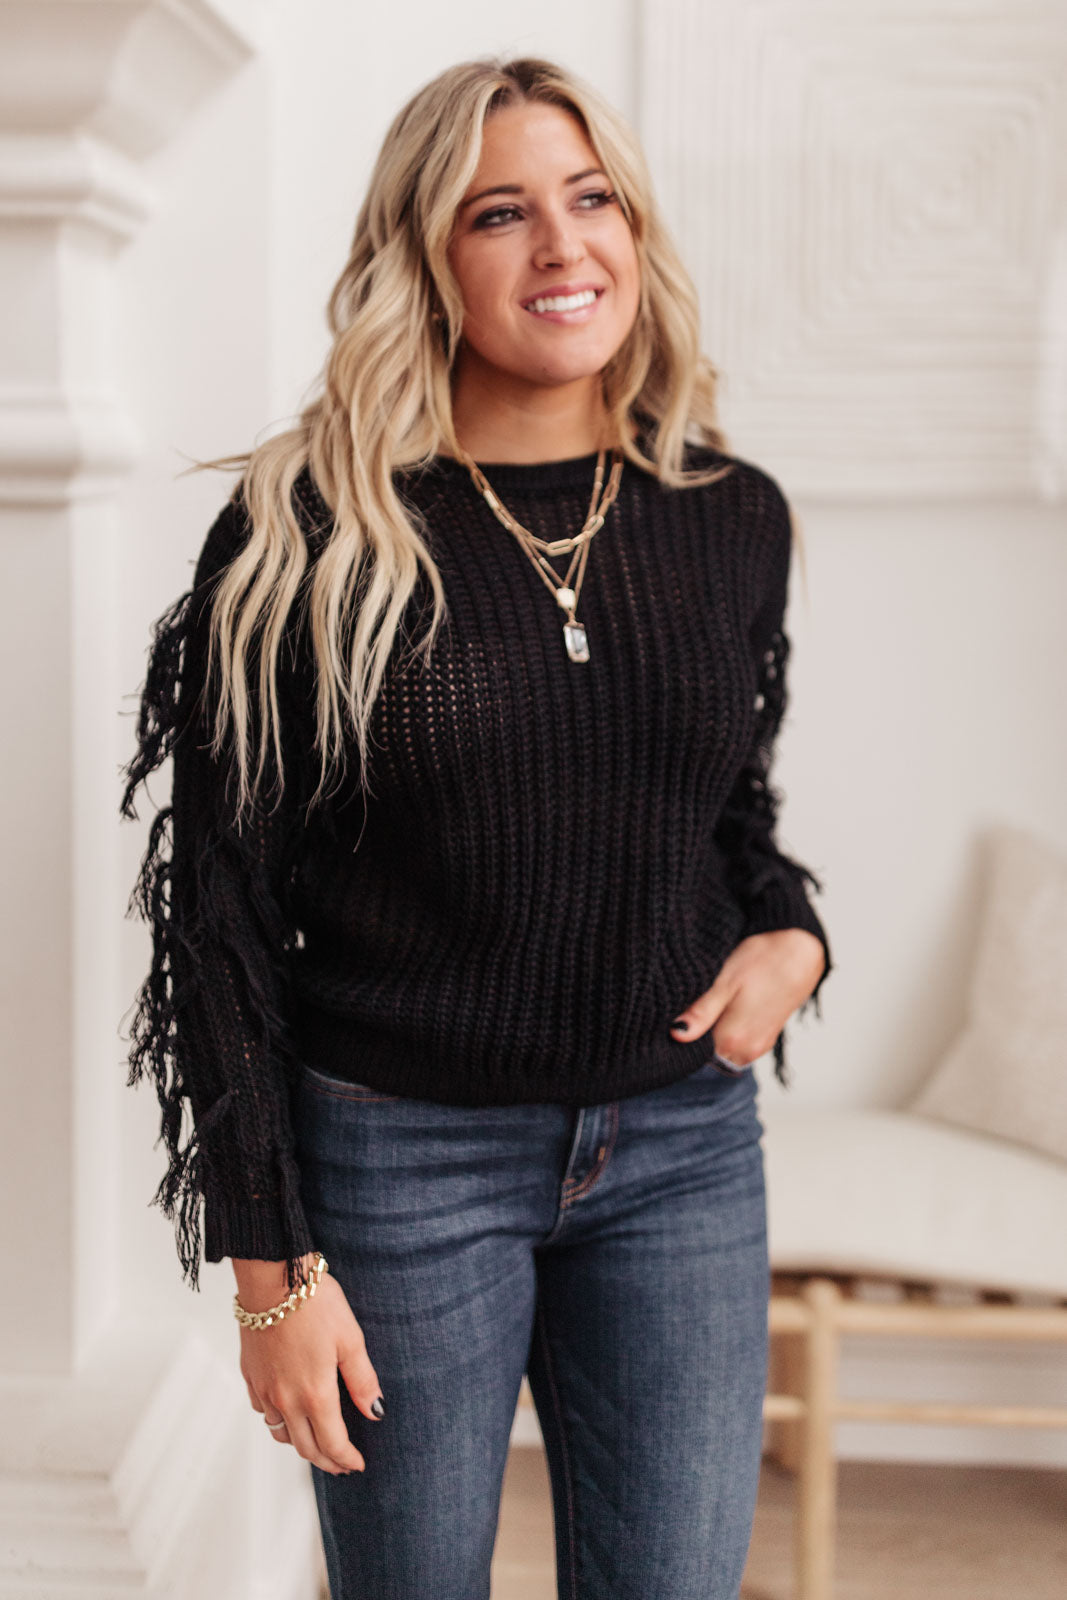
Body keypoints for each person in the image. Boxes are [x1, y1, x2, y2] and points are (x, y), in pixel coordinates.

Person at [120, 53, 831, 1600]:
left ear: (635, 229)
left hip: (682, 1152)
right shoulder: (308, 530)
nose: (563, 245)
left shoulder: (729, 513)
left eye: (592, 200)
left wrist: (792, 932)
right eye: (501, 212)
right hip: (401, 1159)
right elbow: (217, 914)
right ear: (424, 259)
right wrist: (268, 1273)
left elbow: (725, 810)